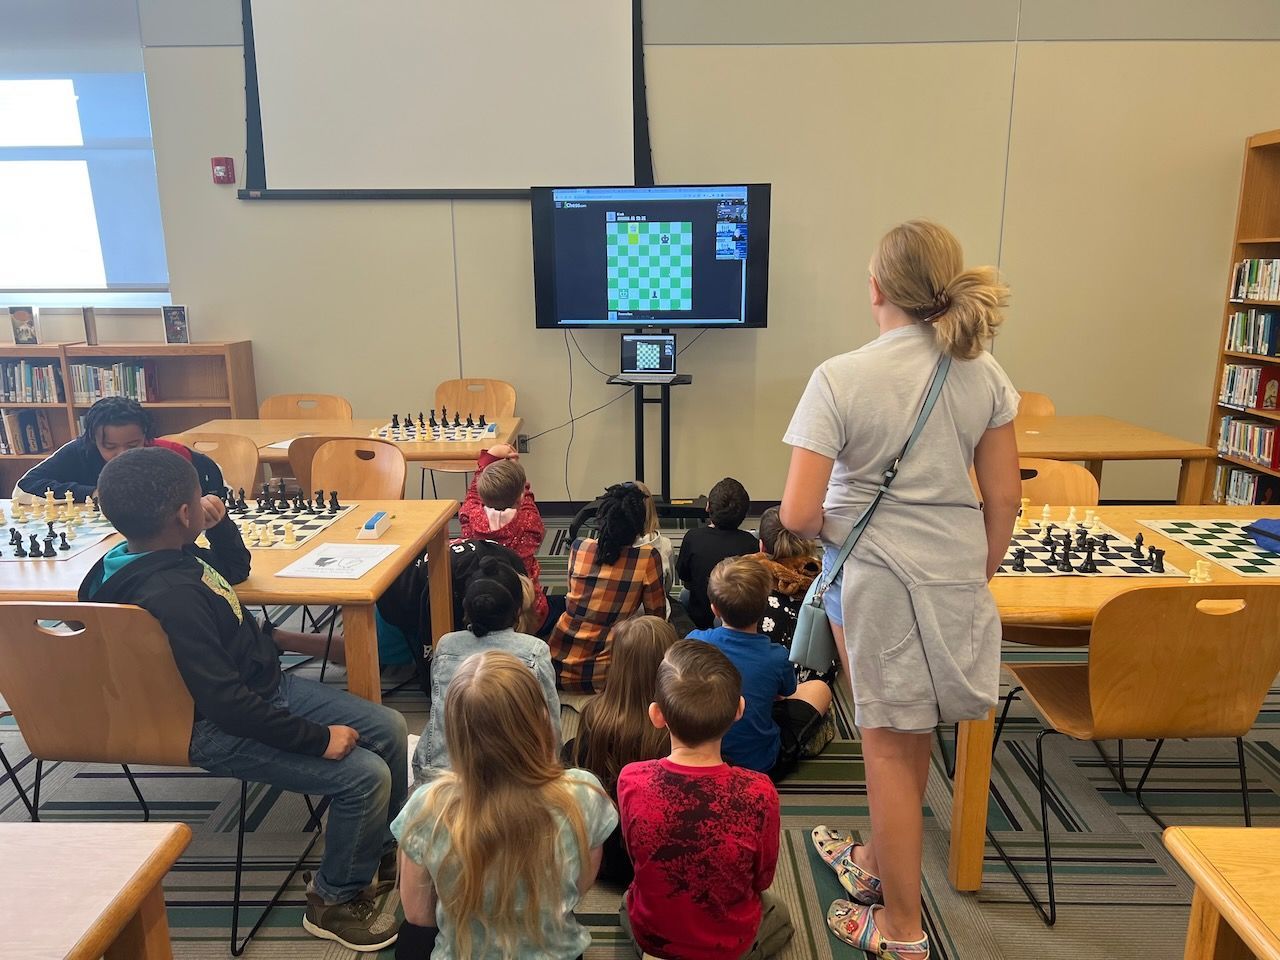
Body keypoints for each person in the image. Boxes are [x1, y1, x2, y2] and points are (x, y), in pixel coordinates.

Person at [780, 220, 1021, 958]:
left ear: (877, 288)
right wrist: (974, 572)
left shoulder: (840, 377)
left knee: (886, 746)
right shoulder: (983, 371)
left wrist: (854, 526)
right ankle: (876, 861)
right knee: (913, 738)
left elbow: (797, 513)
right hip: (954, 574)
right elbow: (1005, 497)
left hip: (876, 582)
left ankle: (903, 927)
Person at [80, 447, 406, 951]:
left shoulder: (156, 557)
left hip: (259, 689)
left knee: (388, 728)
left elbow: (231, 571)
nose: (207, 502)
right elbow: (226, 704)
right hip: (214, 725)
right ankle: (334, 899)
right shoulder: (172, 593)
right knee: (365, 776)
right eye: (199, 499)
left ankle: (376, 847)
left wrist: (220, 526)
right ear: (183, 514)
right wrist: (317, 740)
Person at [392, 650, 617, 960]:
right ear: (541, 719)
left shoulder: (426, 808)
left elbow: (418, 916)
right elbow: (579, 886)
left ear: (454, 732)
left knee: (408, 941)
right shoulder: (584, 794)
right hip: (557, 953)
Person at [617, 640, 793, 960]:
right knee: (779, 913)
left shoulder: (631, 778)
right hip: (726, 943)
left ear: (657, 715)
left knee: (626, 903)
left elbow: (636, 858)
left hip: (654, 937)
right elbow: (762, 878)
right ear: (739, 709)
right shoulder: (759, 791)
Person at [411, 556, 561, 783]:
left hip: (438, 776)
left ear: (466, 608)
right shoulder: (534, 651)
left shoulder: (446, 645)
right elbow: (551, 728)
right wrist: (554, 775)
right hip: (510, 780)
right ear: (518, 610)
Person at [688, 555, 833, 779]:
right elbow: (785, 695)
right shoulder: (777, 656)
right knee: (820, 688)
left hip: (700, 758)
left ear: (714, 609)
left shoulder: (693, 641)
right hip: (761, 765)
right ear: (765, 605)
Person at [563, 615, 677, 884]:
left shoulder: (594, 714)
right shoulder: (676, 725)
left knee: (569, 751)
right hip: (656, 857)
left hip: (606, 854)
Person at [548, 483, 665, 692]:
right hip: (604, 673)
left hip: (557, 663)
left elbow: (571, 595)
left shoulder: (579, 547)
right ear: (639, 525)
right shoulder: (647, 557)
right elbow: (656, 617)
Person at [15, 396, 224, 503]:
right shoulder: (78, 451)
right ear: (93, 440)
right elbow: (24, 487)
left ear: (146, 437)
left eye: (133, 446)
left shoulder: (164, 453)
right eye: (110, 447)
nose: (123, 454)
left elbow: (213, 476)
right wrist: (92, 492)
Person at [455, 442, 551, 633]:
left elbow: (472, 495)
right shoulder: (529, 523)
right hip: (528, 607)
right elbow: (526, 500)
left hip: (482, 601)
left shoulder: (470, 516)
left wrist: (488, 458)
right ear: (520, 497)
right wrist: (516, 468)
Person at [752, 506, 838, 685]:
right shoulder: (828, 582)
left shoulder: (751, 594)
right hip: (819, 685)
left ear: (761, 546)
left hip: (768, 687)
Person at [676, 477, 758, 629]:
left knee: (683, 595)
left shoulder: (692, 538)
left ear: (708, 507)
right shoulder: (751, 543)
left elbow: (684, 577)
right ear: (745, 513)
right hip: (738, 620)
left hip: (699, 622)